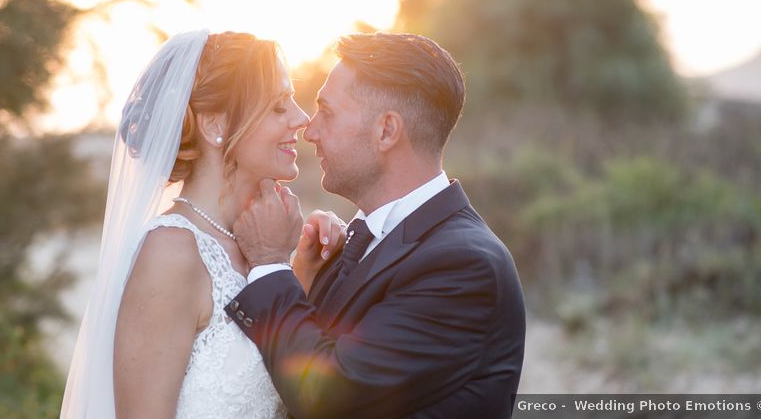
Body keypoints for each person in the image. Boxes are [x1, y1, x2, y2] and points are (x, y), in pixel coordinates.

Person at [227, 33, 527, 418]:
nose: (310, 130)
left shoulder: (465, 266)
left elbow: (327, 397)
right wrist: (302, 278)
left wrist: (270, 263)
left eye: (328, 113)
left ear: (386, 131)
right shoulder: (352, 243)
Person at [59, 30, 340, 418]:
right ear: (214, 126)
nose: (301, 118)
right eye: (278, 106)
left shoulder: (260, 243)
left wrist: (302, 272)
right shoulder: (171, 252)